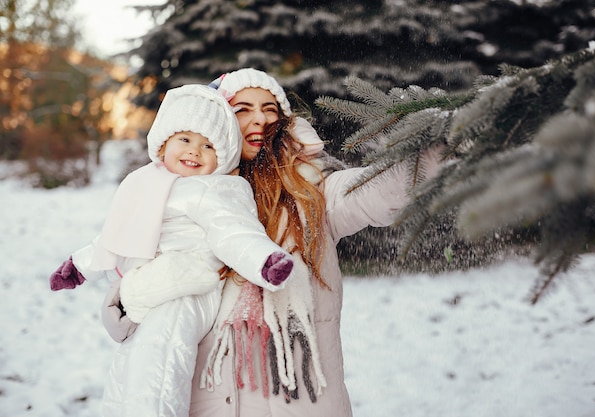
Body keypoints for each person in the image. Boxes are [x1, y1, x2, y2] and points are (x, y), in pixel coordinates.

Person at [102, 68, 444, 417]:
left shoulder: (311, 191)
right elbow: (135, 276)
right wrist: (128, 297)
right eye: (243, 109)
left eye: (270, 108)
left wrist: (439, 150)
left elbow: (373, 189)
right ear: (215, 124)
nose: (260, 119)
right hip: (208, 397)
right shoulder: (177, 197)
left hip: (297, 398)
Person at [49, 84, 295, 417]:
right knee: (132, 370)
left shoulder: (213, 189)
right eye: (185, 139)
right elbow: (113, 235)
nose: (194, 151)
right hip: (148, 290)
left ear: (221, 157)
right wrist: (79, 266)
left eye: (208, 145)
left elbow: (235, 233)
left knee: (161, 364)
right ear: (164, 143)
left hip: (187, 288)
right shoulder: (146, 183)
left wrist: (264, 260)